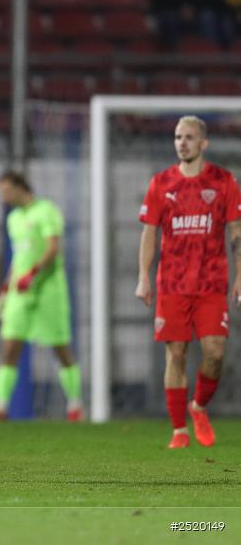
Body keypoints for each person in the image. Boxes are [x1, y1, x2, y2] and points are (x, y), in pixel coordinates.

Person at [136, 116, 241, 449]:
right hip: (172, 284)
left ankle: (198, 407)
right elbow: (149, 233)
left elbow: (236, 232)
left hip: (211, 283)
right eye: (178, 137)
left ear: (204, 143)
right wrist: (143, 277)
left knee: (214, 352)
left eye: (190, 137)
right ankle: (179, 430)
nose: (182, 142)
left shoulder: (224, 182)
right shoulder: (161, 184)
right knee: (176, 354)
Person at [0, 171, 83, 422]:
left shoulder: (46, 211)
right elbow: (19, 257)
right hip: (19, 291)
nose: (3, 196)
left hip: (48, 290)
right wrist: (6, 286)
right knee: (10, 345)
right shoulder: (13, 219)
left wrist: (33, 273)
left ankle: (75, 405)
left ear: (19, 187)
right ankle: (0, 407)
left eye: (5, 191)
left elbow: (53, 248)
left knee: (60, 348)